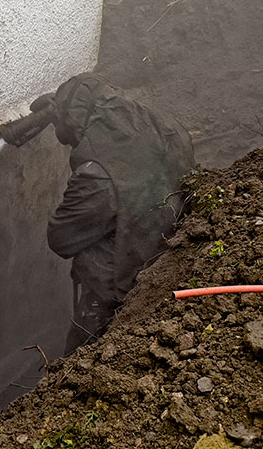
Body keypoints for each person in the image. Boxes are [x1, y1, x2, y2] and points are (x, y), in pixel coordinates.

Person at [42, 73, 195, 355]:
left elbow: (61, 239)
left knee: (77, 367)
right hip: (158, 269)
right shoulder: (168, 133)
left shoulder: (97, 174)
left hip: (111, 293)